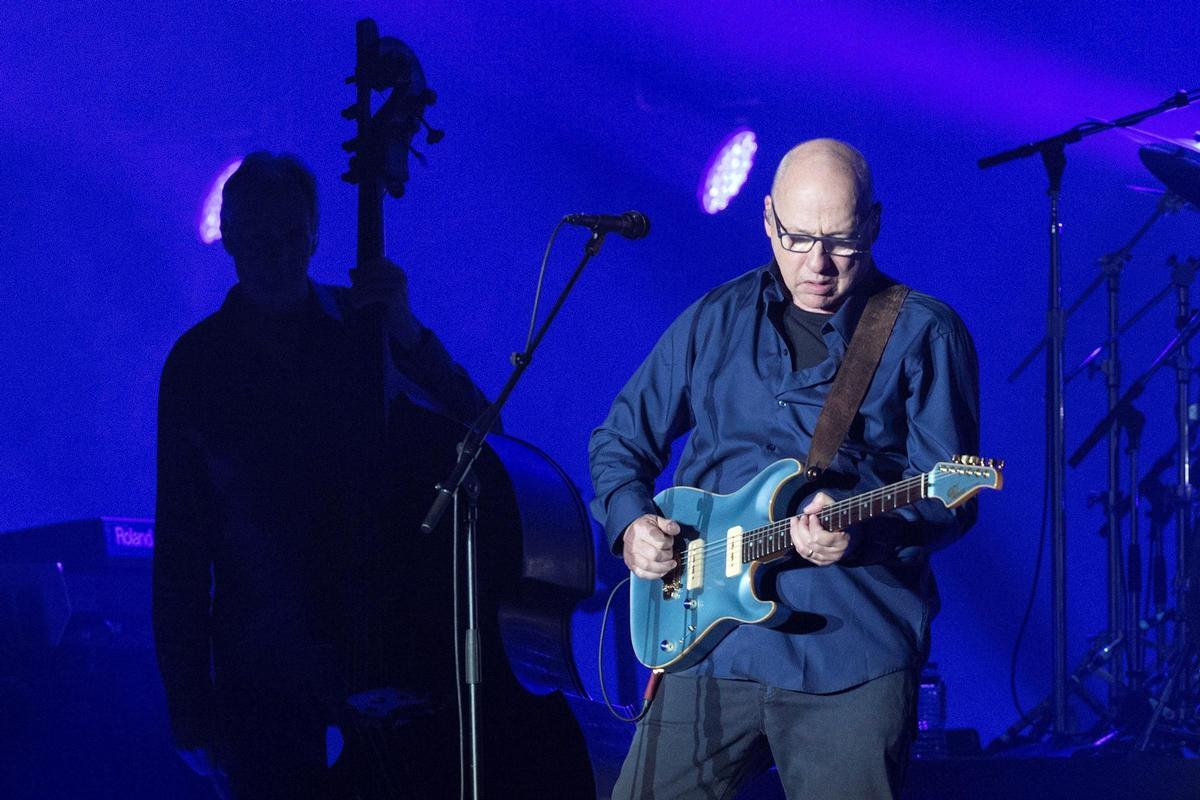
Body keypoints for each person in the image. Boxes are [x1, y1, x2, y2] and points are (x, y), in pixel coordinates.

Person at [589, 138, 980, 799]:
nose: (817, 264)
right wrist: (632, 527)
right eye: (796, 238)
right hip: (707, 642)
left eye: (841, 243)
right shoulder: (715, 319)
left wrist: (862, 532)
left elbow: (952, 495)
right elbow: (620, 440)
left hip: (849, 653)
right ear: (767, 218)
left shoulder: (923, 331)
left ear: (874, 225)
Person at [152, 152, 494, 798]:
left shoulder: (363, 332)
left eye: (290, 237)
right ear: (227, 239)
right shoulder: (197, 366)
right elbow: (180, 551)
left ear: (313, 234)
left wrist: (409, 332)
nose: (278, 256)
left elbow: (482, 435)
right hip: (263, 670)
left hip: (389, 655)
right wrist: (189, 704)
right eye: (258, 239)